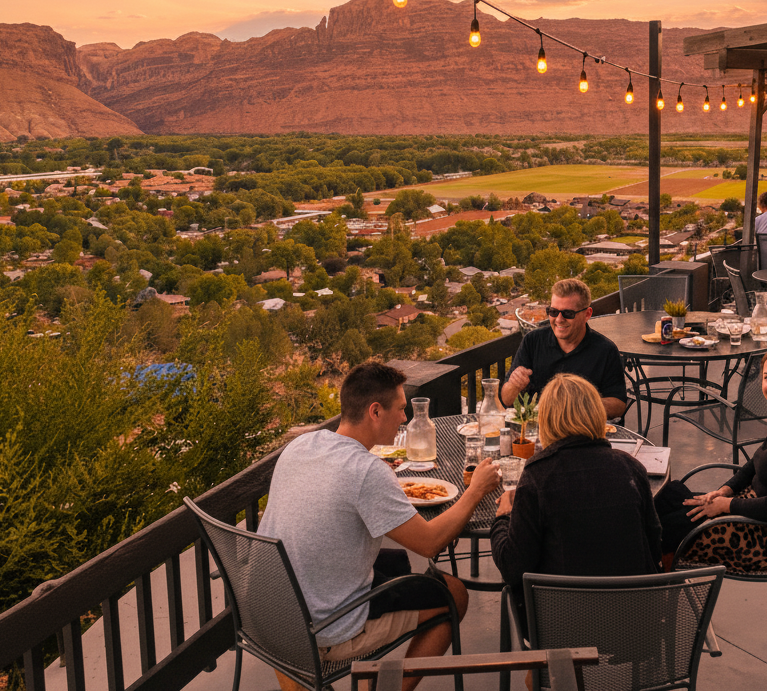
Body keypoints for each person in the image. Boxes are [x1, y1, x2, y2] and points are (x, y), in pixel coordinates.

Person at [257, 361, 501, 691]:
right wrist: (475, 491)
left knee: (402, 564)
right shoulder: (366, 471)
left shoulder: (303, 444)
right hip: (322, 627)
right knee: (454, 593)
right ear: (375, 411)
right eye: (400, 409)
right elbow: (430, 543)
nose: (404, 418)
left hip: (270, 611)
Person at [490, 374, 661, 628]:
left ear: (546, 419)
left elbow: (513, 568)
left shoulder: (537, 476)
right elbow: (654, 546)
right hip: (633, 624)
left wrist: (503, 518)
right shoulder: (631, 467)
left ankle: (545, 668)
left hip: (562, 628)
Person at [653, 342, 767, 573]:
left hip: (762, 536)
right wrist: (725, 490)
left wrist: (725, 506)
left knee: (656, 530)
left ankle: (655, 585)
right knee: (667, 496)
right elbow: (756, 462)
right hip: (748, 507)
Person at [502, 278, 627, 420]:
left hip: (582, 431)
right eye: (553, 312)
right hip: (536, 430)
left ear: (587, 314)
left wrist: (580, 406)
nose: (559, 319)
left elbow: (619, 405)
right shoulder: (533, 341)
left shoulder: (605, 350)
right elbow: (507, 399)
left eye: (568, 314)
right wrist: (514, 385)